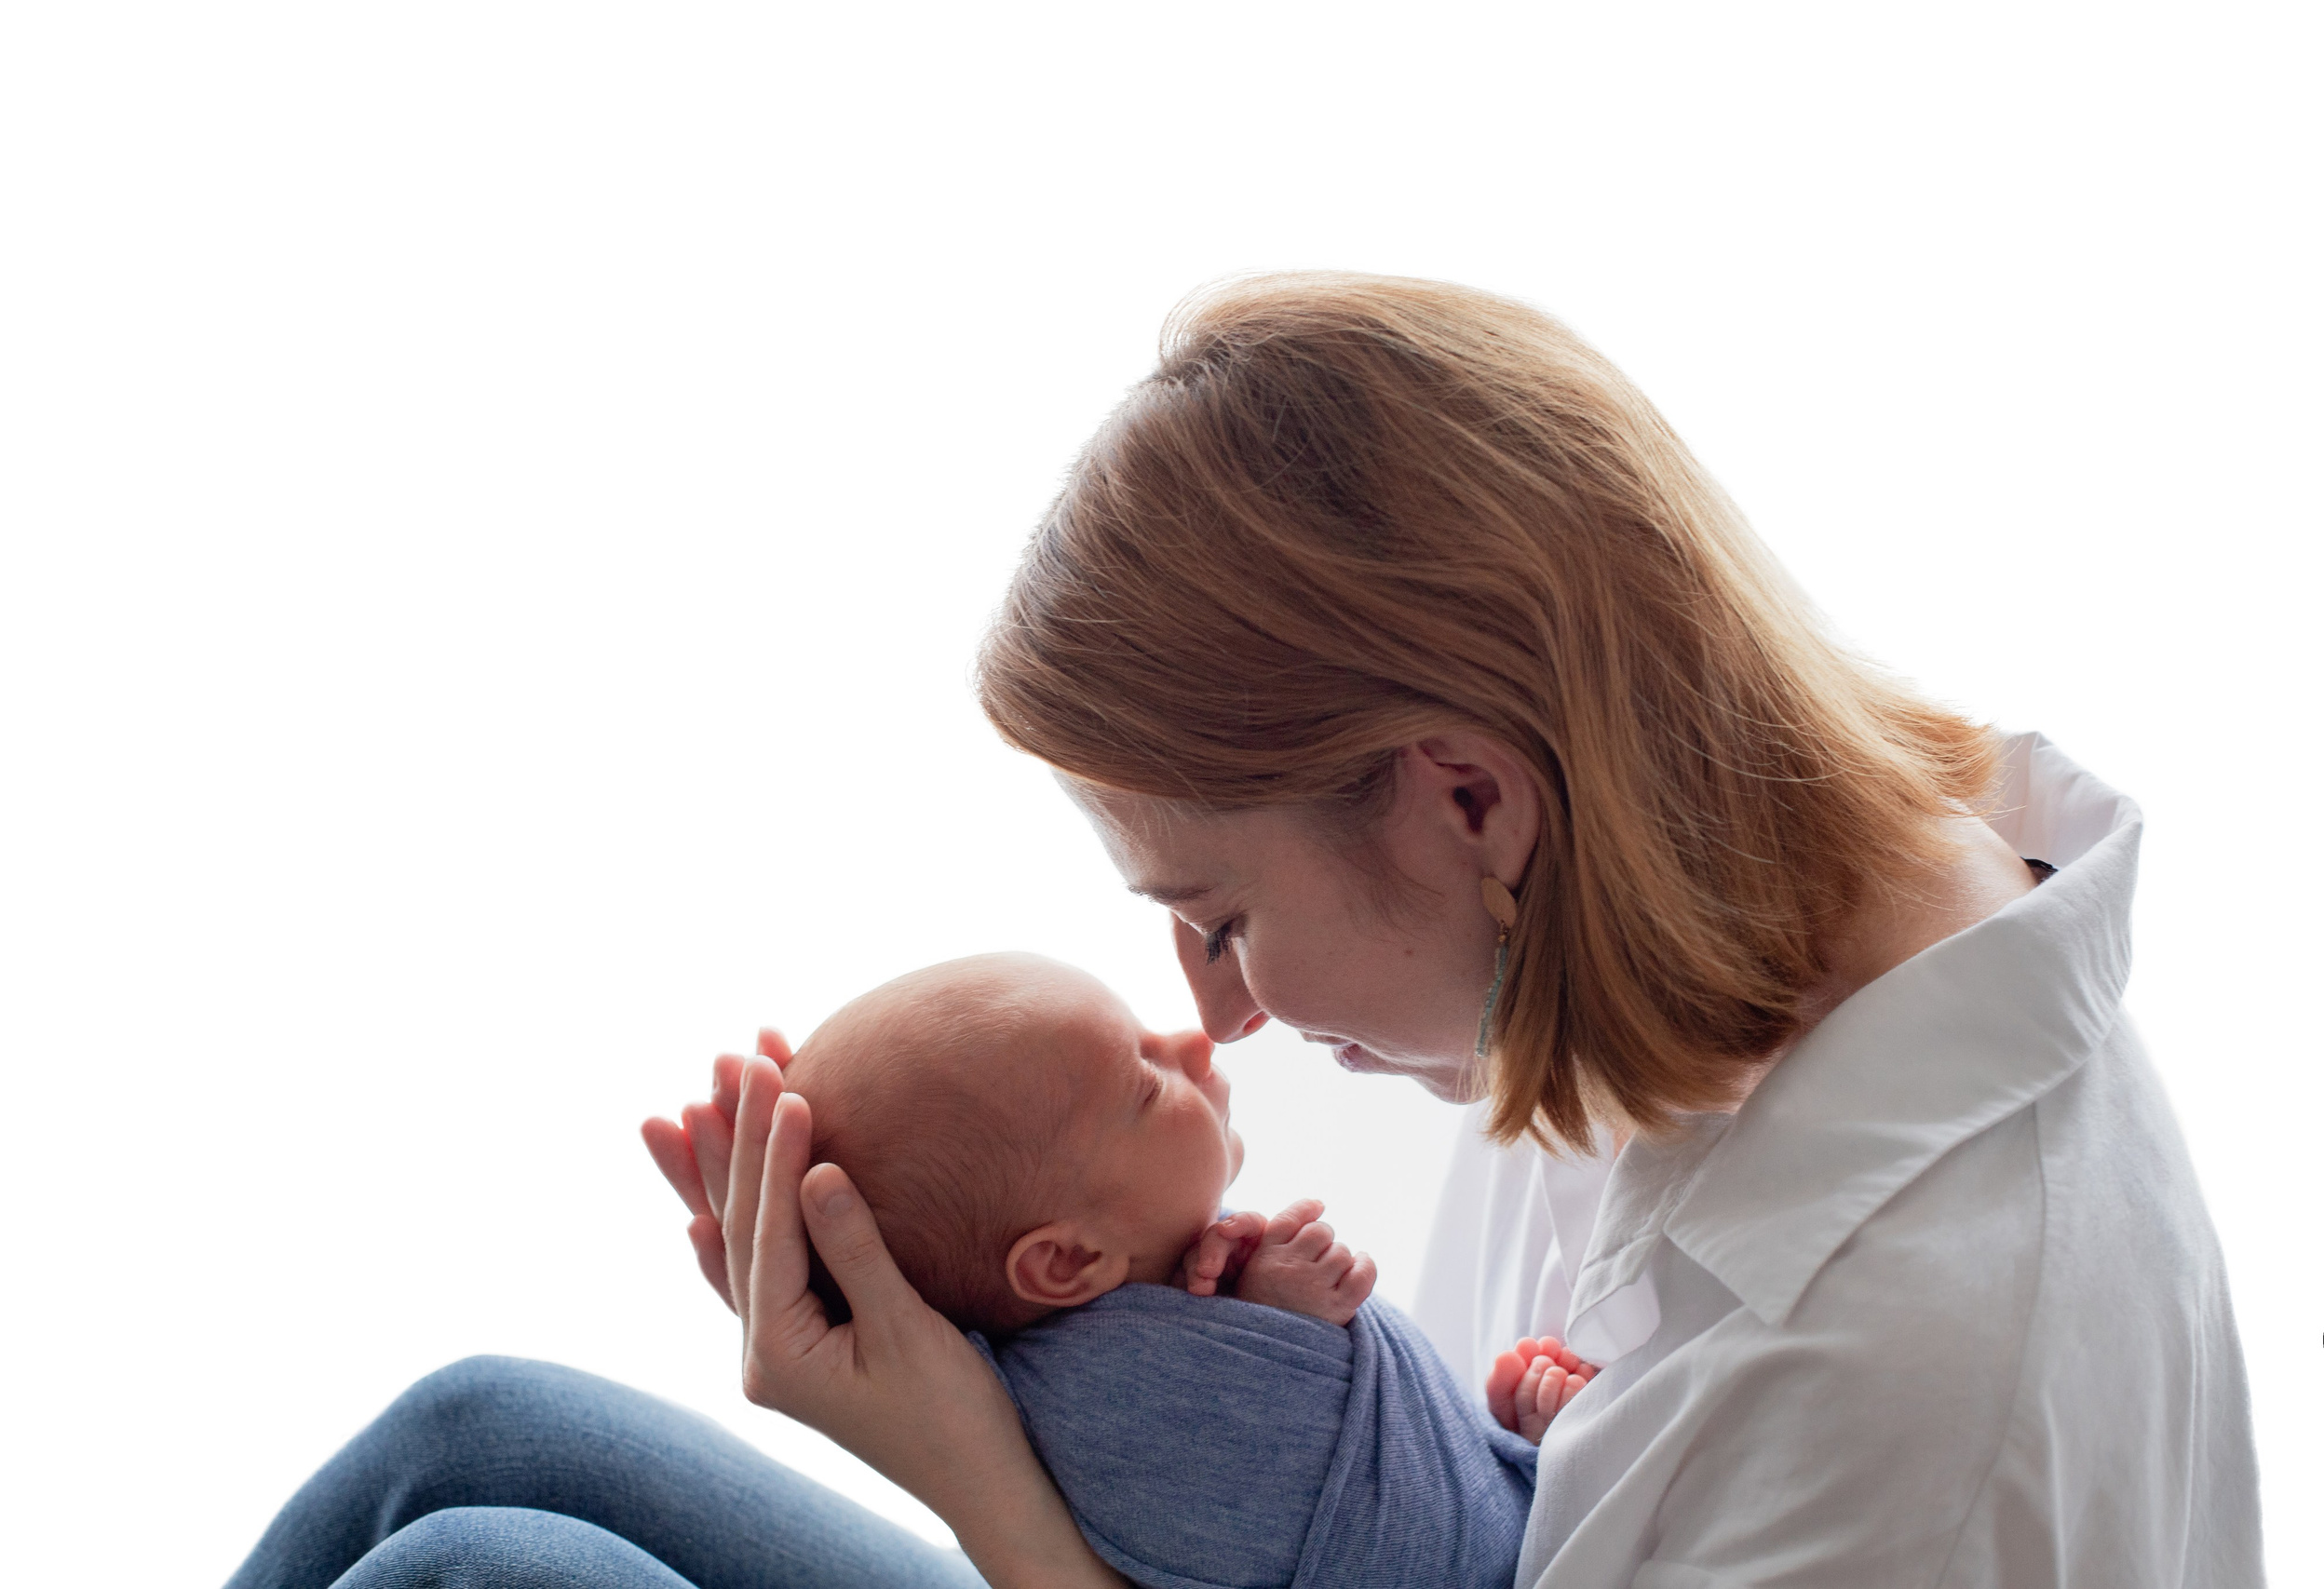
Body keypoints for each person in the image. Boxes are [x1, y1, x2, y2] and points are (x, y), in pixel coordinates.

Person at [226, 274, 2262, 1587]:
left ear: (1462, 791)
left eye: (1212, 915)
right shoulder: (1748, 919)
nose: (1214, 1013)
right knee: (471, 1435)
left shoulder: (1884, 1392)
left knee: (476, 1579)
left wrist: (990, 1488)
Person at [768, 950, 1552, 1589]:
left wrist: (1492, 1444)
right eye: (1147, 1082)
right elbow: (1301, 1487)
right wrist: (1293, 1332)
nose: (1195, 1041)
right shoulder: (1113, 1396)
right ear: (1068, 1259)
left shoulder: (1096, 1336)